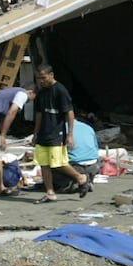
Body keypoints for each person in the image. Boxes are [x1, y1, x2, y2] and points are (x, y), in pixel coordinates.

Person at [31, 64, 90, 202]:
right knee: (43, 163)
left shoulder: (60, 91)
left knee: (57, 163)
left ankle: (80, 178)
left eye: (43, 78)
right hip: (43, 134)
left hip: (56, 133)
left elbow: (69, 112)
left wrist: (70, 134)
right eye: (39, 78)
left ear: (51, 75)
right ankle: (50, 193)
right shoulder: (41, 93)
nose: (41, 81)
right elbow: (39, 114)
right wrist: (35, 133)